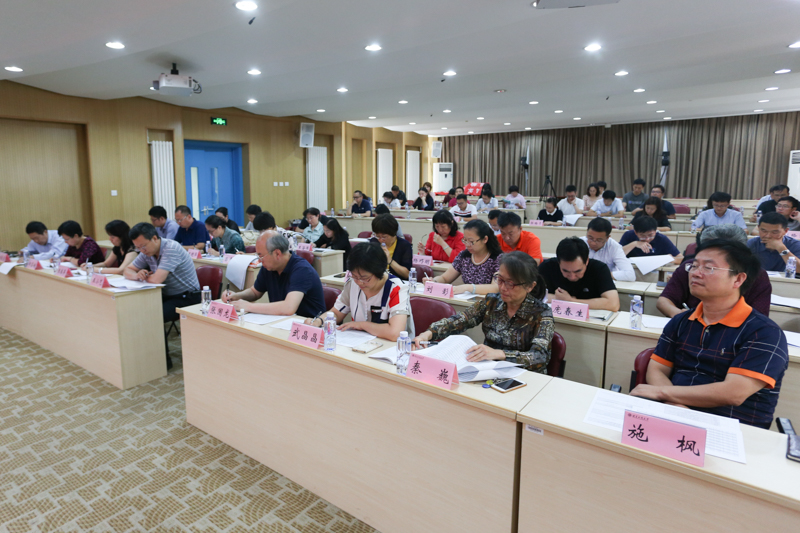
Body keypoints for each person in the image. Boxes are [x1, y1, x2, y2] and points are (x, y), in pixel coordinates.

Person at [631, 239, 788, 429]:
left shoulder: (765, 332)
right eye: (694, 266)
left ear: (738, 279)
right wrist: (676, 409)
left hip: (732, 428)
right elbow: (657, 369)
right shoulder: (681, 321)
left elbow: (733, 393)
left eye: (708, 268)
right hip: (672, 417)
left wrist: (663, 394)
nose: (696, 273)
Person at [413, 252, 553, 373]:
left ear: (530, 286)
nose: (503, 288)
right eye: (500, 280)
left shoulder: (541, 313)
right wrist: (428, 333)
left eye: (510, 283)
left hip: (524, 376)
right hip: (487, 370)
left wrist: (500, 354)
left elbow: (540, 357)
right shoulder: (492, 301)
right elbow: (461, 319)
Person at [126, 222, 201, 369]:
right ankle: (143, 355)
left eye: (143, 246)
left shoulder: (170, 248)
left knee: (153, 315)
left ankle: (162, 362)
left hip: (187, 297)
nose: (141, 250)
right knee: (136, 309)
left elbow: (156, 280)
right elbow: (128, 270)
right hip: (167, 294)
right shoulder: (146, 252)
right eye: (138, 247)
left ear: (154, 238)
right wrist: (137, 275)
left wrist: (144, 276)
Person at [657, 224, 772, 317]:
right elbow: (664, 299)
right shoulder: (691, 266)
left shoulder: (758, 275)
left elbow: (759, 316)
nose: (696, 273)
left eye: (708, 268)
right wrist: (678, 315)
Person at [306, 242, 412, 340]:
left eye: (365, 278)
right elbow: (336, 313)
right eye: (355, 276)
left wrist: (361, 325)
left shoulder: (397, 289)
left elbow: (395, 333)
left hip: (390, 347)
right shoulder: (352, 283)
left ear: (379, 271)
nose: (359, 282)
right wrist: (319, 321)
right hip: (359, 343)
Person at [221, 231, 326, 318]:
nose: (260, 260)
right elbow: (255, 292)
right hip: (281, 321)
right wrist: (236, 296)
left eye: (261, 256)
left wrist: (248, 306)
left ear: (277, 253)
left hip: (307, 326)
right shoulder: (269, 267)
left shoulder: (302, 269)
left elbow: (288, 308)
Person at [539, 237, 620, 311]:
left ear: (587, 261)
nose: (572, 277)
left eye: (577, 271)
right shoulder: (547, 267)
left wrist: (571, 301)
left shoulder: (599, 269)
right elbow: (533, 295)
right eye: (565, 271)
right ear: (558, 262)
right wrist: (557, 298)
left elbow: (613, 304)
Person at [430, 220, 502, 295]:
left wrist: (467, 288)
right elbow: (445, 278)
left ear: (485, 239)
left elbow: (496, 287)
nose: (467, 245)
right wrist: (434, 281)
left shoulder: (498, 259)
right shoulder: (464, 256)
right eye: (465, 240)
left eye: (471, 241)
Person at [581, 217, 635, 282]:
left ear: (607, 238)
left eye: (599, 240)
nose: (593, 243)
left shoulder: (614, 247)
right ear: (587, 232)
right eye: (590, 238)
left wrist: (600, 275)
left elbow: (630, 275)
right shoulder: (578, 244)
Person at [369, 214, 413, 279]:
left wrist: (390, 260)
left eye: (384, 237)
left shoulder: (404, 245)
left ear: (393, 234)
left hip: (397, 281)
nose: (380, 240)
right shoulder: (374, 242)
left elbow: (407, 274)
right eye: (378, 236)